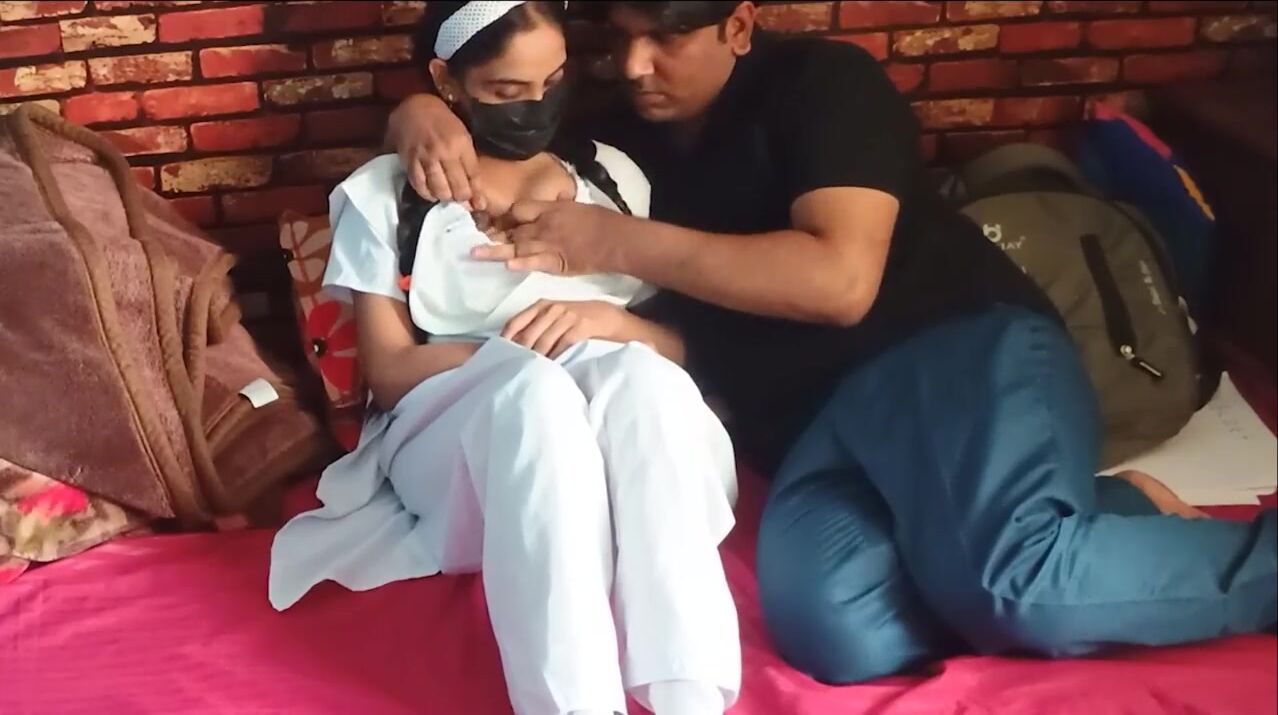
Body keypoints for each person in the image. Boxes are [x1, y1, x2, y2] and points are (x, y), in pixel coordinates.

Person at [387, 0, 1278, 687]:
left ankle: (1116, 553)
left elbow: (839, 283)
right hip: (814, 425)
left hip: (952, 351)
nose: (635, 66)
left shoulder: (822, 83)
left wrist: (616, 242)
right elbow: (479, 115)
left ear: (739, 26)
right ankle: (1097, 518)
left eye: (666, 39)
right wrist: (419, 113)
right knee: (839, 635)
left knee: (1015, 584)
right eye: (620, 39)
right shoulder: (617, 141)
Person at [268, 4, 742, 715]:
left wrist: (614, 326)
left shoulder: (612, 178)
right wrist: (515, 358)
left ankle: (689, 693)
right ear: (447, 82)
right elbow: (390, 374)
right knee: (535, 396)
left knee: (646, 380)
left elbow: (681, 350)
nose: (536, 107)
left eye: (552, 82)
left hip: (609, 430)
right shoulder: (384, 194)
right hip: (455, 430)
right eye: (507, 91)